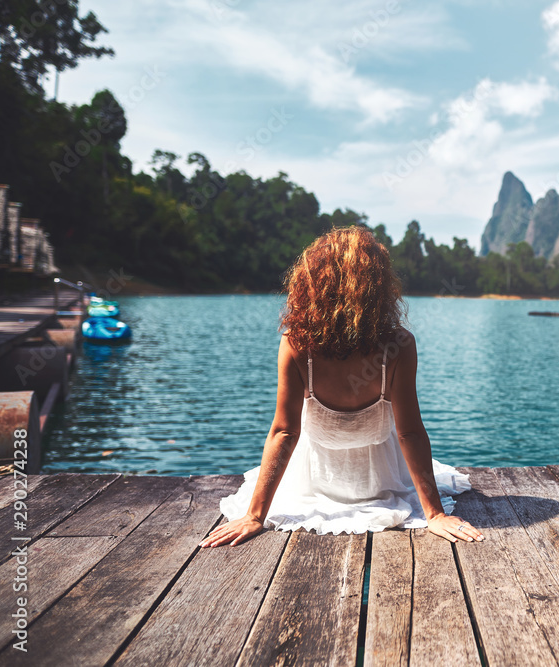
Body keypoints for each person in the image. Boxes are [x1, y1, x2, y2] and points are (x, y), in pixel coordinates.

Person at [201, 227, 484, 547]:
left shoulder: (296, 344)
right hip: (382, 482)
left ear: (311, 285)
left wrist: (255, 515)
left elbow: (284, 432)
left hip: (313, 484)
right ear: (377, 289)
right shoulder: (398, 345)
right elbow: (410, 433)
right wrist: (433, 514)